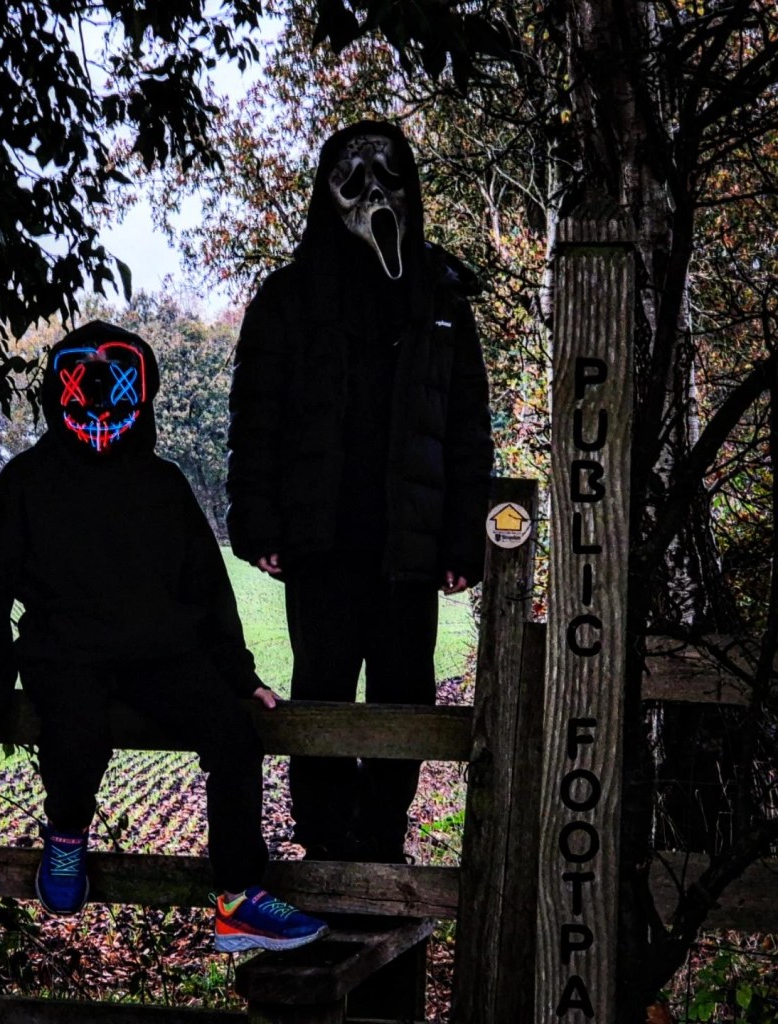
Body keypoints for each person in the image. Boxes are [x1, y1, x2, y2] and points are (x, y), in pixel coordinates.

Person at [0, 319, 329, 952]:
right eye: (84, 383)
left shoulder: (164, 484)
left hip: (159, 654)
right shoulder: (25, 481)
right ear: (60, 390)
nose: (98, 401)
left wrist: (240, 677)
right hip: (63, 652)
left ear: (139, 392)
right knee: (75, 730)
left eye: (114, 384)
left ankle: (238, 900)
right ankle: (65, 837)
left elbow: (208, 592)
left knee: (233, 734)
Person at [226, 120, 494, 864]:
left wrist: (461, 537)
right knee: (321, 694)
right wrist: (259, 521)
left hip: (407, 543)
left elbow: (468, 426)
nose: (374, 190)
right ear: (325, 192)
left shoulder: (442, 299)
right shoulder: (286, 300)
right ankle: (326, 844)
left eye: (388, 173)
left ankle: (379, 842)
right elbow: (258, 416)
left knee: (406, 695)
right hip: (323, 539)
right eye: (352, 175)